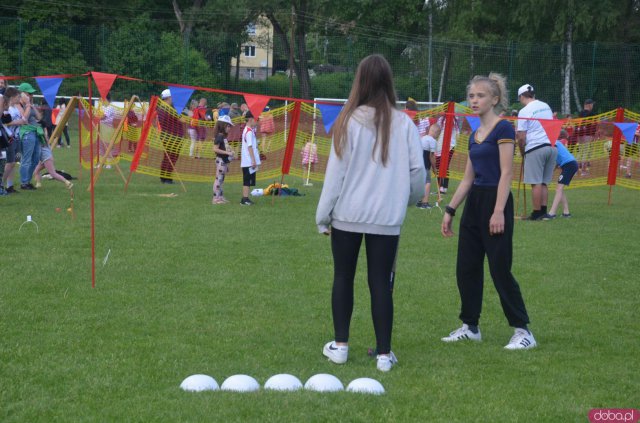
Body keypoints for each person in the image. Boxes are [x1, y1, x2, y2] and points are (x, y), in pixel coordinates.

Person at [316, 54, 425, 372]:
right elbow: (418, 174)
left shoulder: (348, 120)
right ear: (389, 82)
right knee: (380, 282)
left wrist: (323, 216)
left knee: (342, 277)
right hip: (386, 219)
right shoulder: (404, 123)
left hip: (347, 215)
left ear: (359, 81)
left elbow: (334, 176)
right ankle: (383, 355)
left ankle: (340, 346)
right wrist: (403, 202)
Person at [441, 73, 536, 350]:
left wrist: (498, 211)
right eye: (471, 96)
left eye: (480, 96)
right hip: (474, 206)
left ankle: (523, 331)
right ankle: (470, 327)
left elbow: (507, 173)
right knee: (466, 268)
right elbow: (468, 179)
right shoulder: (474, 135)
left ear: (494, 99)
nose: (474, 100)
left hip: (497, 203)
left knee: (499, 269)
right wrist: (450, 209)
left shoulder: (503, 129)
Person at [516, 84, 557, 220]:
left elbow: (521, 137)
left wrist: (522, 152)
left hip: (535, 147)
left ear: (522, 96)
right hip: (551, 147)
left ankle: (536, 213)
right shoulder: (546, 106)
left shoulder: (524, 111)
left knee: (536, 182)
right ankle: (544, 213)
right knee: (544, 181)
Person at [544, 131, 578, 219]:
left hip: (569, 165)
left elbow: (552, 161)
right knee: (560, 188)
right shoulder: (554, 143)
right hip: (569, 165)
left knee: (559, 189)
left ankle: (552, 213)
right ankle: (566, 213)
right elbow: (555, 162)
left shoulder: (552, 143)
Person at [17, 82, 43, 191]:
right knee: (26, 159)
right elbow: (24, 118)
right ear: (21, 94)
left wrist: (32, 106)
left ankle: (27, 180)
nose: (30, 96)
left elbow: (39, 118)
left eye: (31, 94)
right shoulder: (17, 105)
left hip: (35, 132)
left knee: (36, 158)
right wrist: (27, 105)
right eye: (28, 94)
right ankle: (24, 183)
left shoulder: (30, 104)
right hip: (27, 133)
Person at [157, 89, 184, 184]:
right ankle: (167, 178)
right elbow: (183, 120)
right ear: (169, 97)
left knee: (167, 157)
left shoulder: (161, 108)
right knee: (172, 157)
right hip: (173, 136)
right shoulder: (170, 109)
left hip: (167, 136)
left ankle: (164, 177)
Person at [2, 87, 24, 194]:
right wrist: (20, 122)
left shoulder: (15, 108)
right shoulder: (6, 109)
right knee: (10, 162)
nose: (19, 99)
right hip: (10, 139)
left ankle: (9, 186)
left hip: (17, 138)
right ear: (12, 97)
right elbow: (6, 123)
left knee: (15, 161)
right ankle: (2, 184)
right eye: (18, 97)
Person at [211, 115, 234, 204]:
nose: (229, 128)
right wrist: (228, 153)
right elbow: (215, 149)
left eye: (230, 126)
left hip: (223, 161)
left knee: (221, 180)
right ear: (222, 125)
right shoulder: (220, 136)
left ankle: (220, 197)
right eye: (228, 126)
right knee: (218, 179)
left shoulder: (223, 136)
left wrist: (230, 151)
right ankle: (215, 199)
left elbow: (225, 147)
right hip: (220, 160)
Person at [416, 123, 440, 209]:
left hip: (418, 163)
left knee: (421, 182)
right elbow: (432, 156)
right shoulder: (433, 141)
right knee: (428, 182)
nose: (437, 136)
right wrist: (434, 168)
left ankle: (419, 201)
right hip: (425, 164)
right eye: (438, 134)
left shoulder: (423, 138)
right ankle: (424, 203)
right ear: (436, 133)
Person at [240, 111, 260, 205]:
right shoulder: (248, 131)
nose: (257, 121)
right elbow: (250, 146)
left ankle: (246, 198)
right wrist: (253, 160)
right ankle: (244, 199)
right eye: (256, 119)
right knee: (247, 181)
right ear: (251, 119)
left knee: (249, 181)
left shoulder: (249, 130)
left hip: (248, 161)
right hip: (248, 161)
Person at [577, 99, 596, 175]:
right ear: (589, 105)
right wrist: (593, 135)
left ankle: (575, 170)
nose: (592, 106)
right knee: (585, 152)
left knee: (580, 152)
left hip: (580, 134)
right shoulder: (592, 114)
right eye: (592, 104)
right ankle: (583, 171)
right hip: (587, 134)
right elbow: (593, 125)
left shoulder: (580, 113)